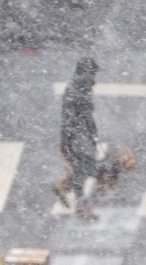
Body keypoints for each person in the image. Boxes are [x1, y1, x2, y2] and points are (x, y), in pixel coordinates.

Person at [54, 57, 101, 219]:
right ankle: (80, 204)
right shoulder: (77, 89)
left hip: (81, 136)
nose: (94, 77)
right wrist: (66, 142)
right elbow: (69, 118)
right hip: (78, 137)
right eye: (93, 73)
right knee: (85, 168)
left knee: (83, 169)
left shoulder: (82, 88)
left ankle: (71, 194)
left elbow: (85, 115)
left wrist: (93, 134)